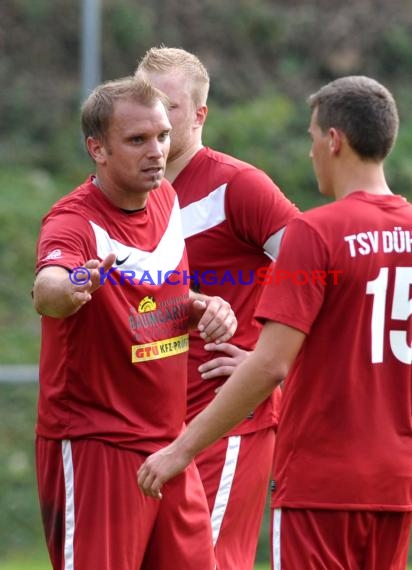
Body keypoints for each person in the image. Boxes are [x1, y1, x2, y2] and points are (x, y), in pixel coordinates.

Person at [138, 75, 412, 569]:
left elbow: (270, 367)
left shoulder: (315, 230)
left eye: (311, 138)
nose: (310, 153)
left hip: (323, 475)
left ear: (333, 140)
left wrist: (182, 449)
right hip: (397, 480)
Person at [32, 76, 237, 570]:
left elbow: (160, 295)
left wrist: (201, 306)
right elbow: (49, 291)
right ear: (96, 149)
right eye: (137, 140)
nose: (157, 151)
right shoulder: (73, 222)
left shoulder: (165, 198)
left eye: (163, 136)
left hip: (169, 444)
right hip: (97, 445)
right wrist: (73, 286)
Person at [135, 47, 299, 570]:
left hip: (224, 418)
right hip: (149, 422)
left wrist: (266, 358)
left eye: (170, 105)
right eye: (145, 102)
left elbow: (325, 276)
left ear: (200, 114)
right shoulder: (131, 194)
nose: (155, 116)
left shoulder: (239, 185)